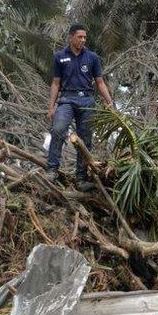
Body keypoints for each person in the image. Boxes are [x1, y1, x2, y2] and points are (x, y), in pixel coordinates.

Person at [46, 24, 114, 190]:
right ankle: (52, 169)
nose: (83, 40)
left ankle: (81, 179)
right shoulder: (59, 56)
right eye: (80, 37)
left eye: (85, 37)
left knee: (85, 140)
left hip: (87, 101)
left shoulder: (92, 57)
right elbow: (55, 83)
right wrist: (51, 106)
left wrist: (109, 102)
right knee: (58, 130)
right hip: (67, 99)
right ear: (71, 37)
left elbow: (100, 82)